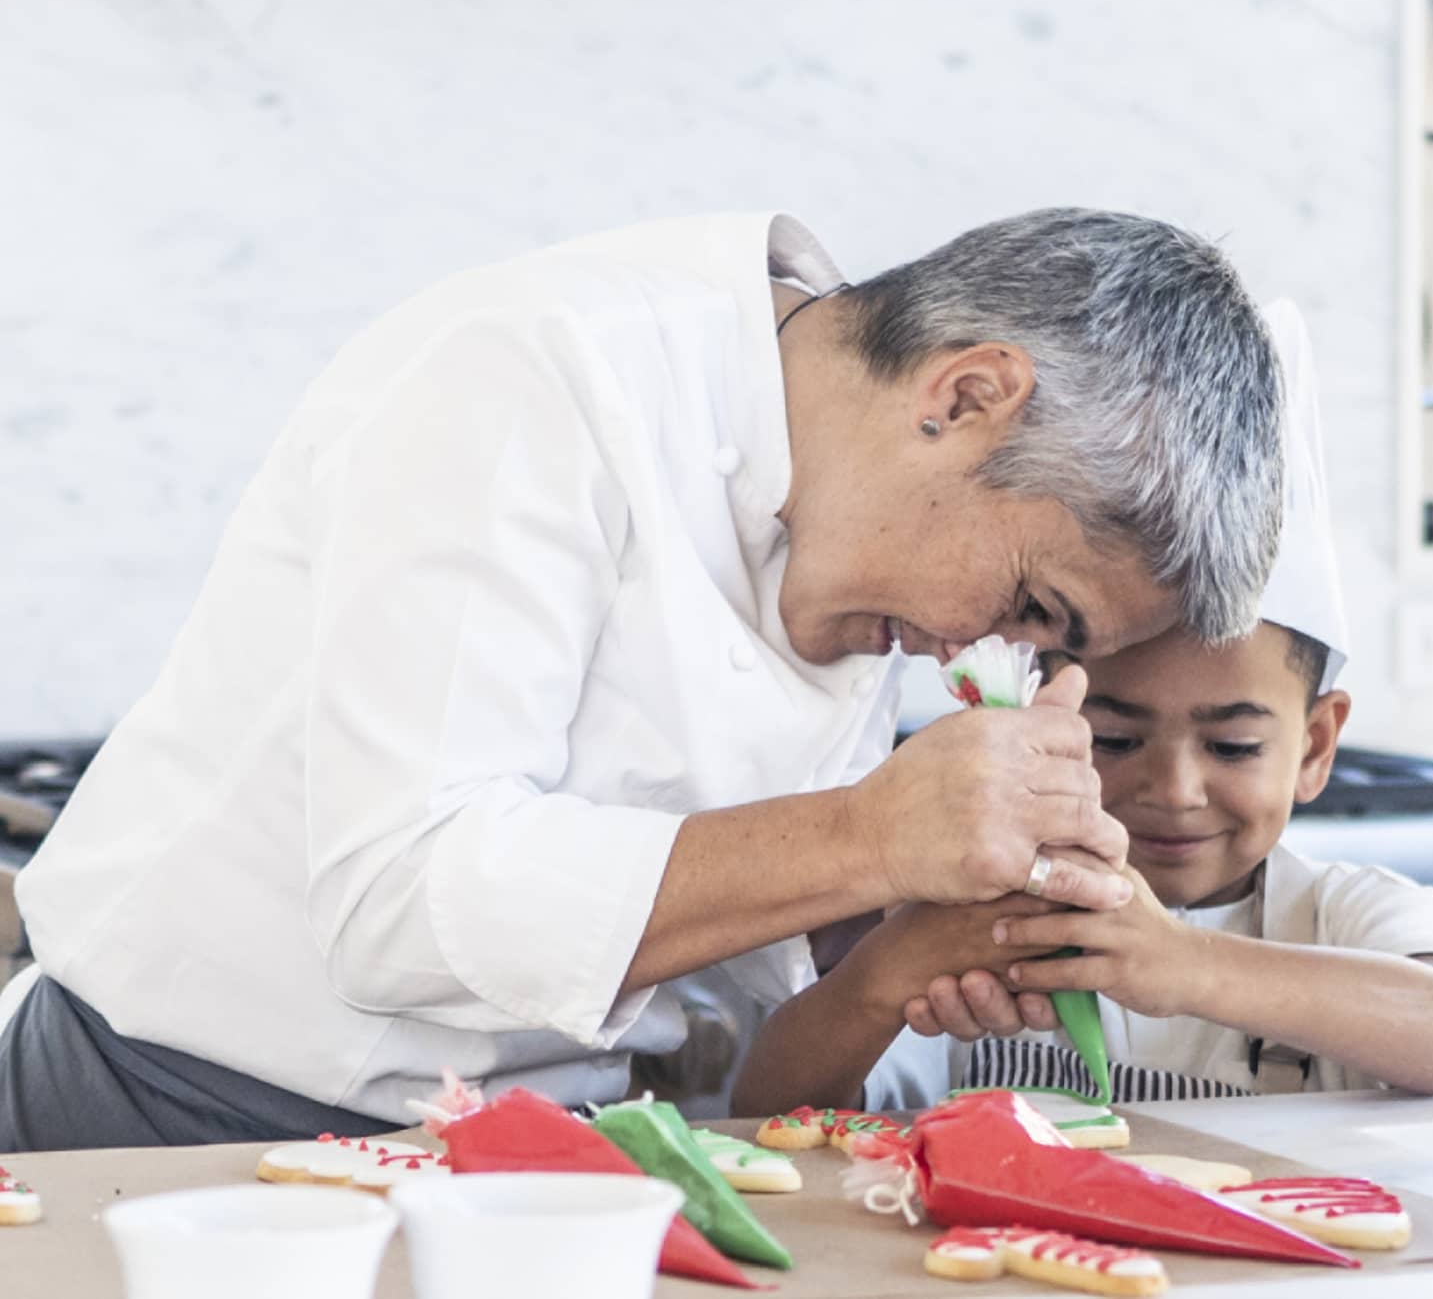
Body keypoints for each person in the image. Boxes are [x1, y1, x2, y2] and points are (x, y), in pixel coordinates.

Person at [0, 209, 1286, 1150]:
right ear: (966, 396)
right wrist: (868, 832)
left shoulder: (853, 518)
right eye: (1027, 606)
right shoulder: (533, 375)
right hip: (167, 1122)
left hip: (544, 1154)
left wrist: (898, 926)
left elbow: (729, 967)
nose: (978, 651)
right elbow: (401, 900)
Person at [731, 302, 1433, 1114]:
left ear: (1316, 747)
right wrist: (884, 973)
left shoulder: (1340, 913)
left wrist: (1183, 964)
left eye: (1235, 747)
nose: (1175, 789)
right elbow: (763, 1109)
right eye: (1112, 737)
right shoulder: (977, 916)